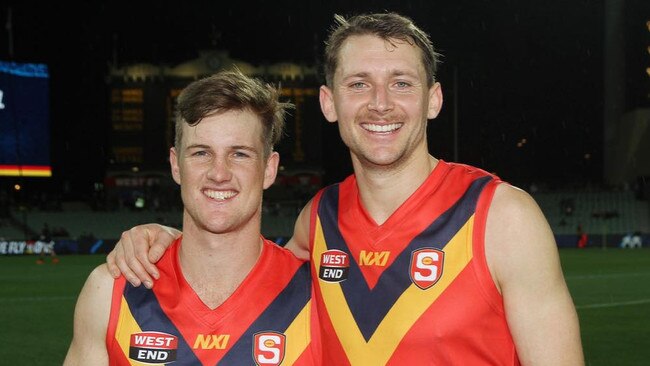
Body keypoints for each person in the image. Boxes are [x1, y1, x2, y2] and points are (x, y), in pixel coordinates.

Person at [107, 12, 584, 364]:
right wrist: (160, 236)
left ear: (433, 100)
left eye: (401, 83)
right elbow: (235, 259)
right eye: (359, 84)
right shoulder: (317, 220)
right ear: (329, 102)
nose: (380, 104)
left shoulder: (502, 217)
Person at [64, 70, 318, 365]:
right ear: (175, 165)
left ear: (269, 169)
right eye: (200, 153)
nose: (219, 173)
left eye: (240, 154)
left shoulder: (318, 297)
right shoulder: (110, 291)